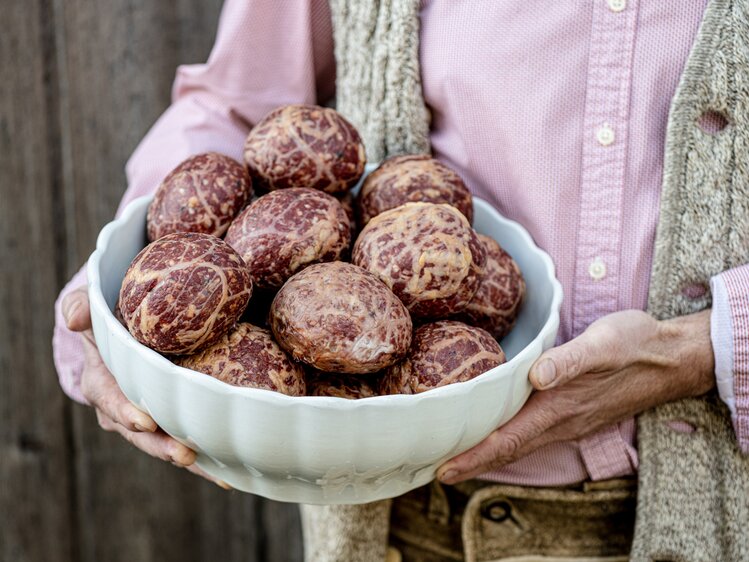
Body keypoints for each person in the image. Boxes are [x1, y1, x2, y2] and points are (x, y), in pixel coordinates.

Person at [53, 0, 749, 560]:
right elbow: (238, 106)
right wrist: (114, 308)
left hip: (701, 509)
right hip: (390, 518)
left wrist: (705, 347)